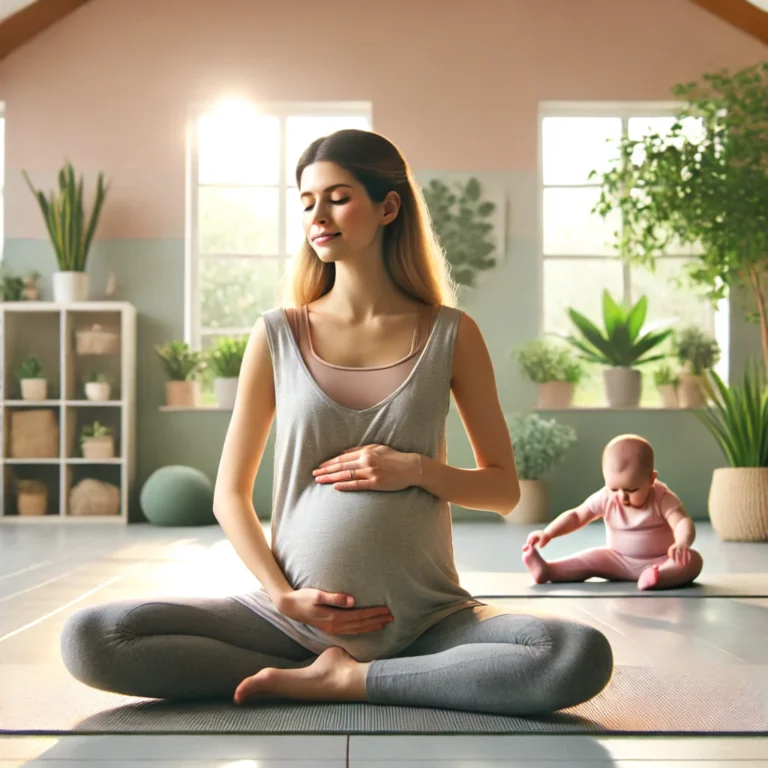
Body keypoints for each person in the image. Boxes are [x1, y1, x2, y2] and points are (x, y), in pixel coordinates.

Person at [60, 128, 613, 715]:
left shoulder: (451, 333)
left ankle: (353, 681)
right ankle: (330, 671)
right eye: (306, 202)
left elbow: (503, 490)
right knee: (95, 637)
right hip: (288, 622)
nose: (317, 216)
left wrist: (416, 469)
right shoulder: (277, 334)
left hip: (429, 621)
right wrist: (283, 597)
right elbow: (229, 494)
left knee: (573, 653)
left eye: (337, 197)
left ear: (387, 207)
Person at [522, 434, 703, 591]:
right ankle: (549, 570)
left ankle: (659, 577)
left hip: (660, 560)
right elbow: (577, 516)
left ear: (651, 479)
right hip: (617, 560)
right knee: (590, 558)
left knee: (692, 561)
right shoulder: (606, 496)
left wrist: (682, 542)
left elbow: (681, 521)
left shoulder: (662, 497)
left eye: (632, 490)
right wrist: (548, 533)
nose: (621, 496)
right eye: (614, 488)